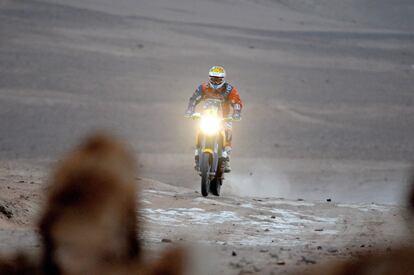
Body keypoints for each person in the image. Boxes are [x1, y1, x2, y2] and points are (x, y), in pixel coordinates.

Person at [185, 66, 243, 173]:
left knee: (228, 132)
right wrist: (190, 111)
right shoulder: (203, 88)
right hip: (207, 116)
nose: (215, 82)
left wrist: (237, 113)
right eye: (213, 79)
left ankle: (226, 158)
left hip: (224, 118)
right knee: (199, 129)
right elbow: (193, 99)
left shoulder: (230, 90)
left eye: (218, 79)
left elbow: (237, 103)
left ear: (223, 79)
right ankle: (197, 155)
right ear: (209, 78)